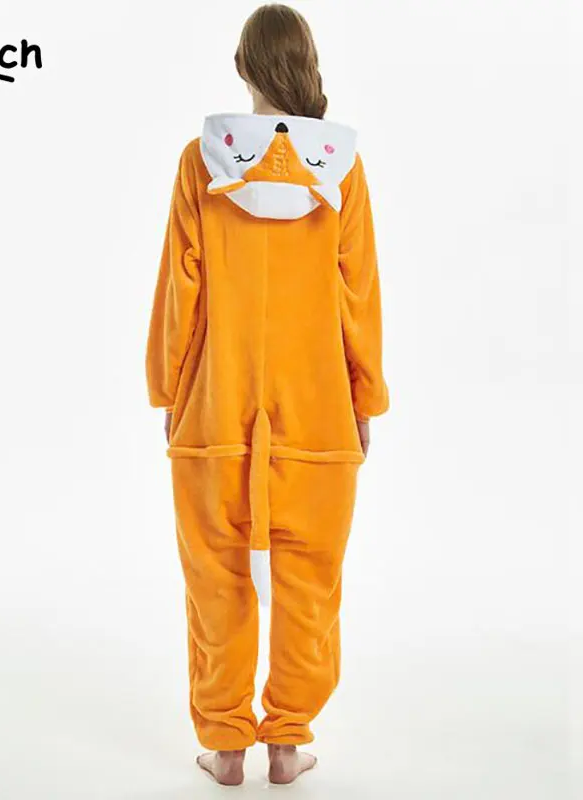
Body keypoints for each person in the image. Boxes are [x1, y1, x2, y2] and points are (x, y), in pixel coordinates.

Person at [145, 3, 388, 787]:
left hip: (215, 401)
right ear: (307, 66)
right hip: (318, 407)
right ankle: (287, 741)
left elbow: (181, 289)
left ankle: (225, 745)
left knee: (213, 572)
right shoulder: (342, 169)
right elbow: (358, 297)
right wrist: (364, 397)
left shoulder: (201, 162)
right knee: (311, 576)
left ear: (243, 68)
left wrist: (169, 389)